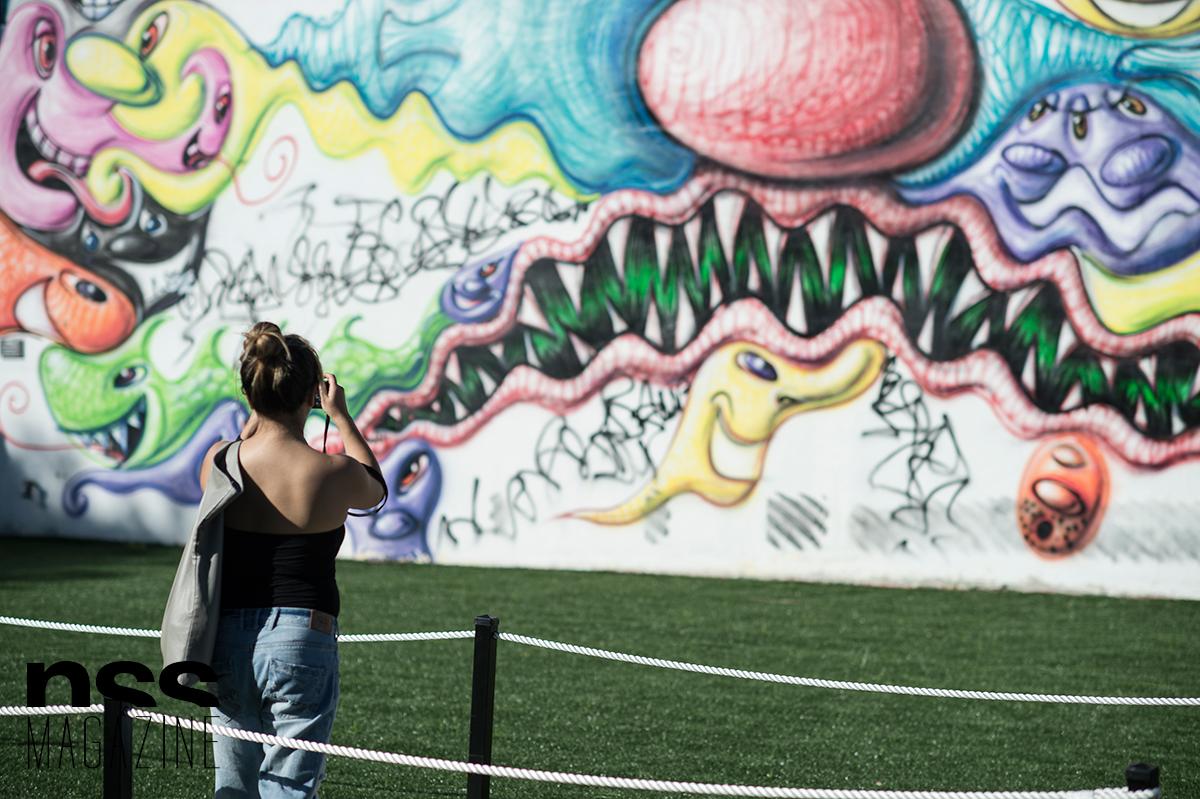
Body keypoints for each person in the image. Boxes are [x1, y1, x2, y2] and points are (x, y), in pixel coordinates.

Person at [198, 321, 385, 798]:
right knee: (289, 788)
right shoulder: (332, 471)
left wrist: (256, 414)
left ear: (251, 393)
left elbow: (240, 450)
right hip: (303, 635)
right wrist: (341, 417)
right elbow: (376, 489)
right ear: (310, 396)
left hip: (227, 635)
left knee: (233, 786)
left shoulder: (220, 461)